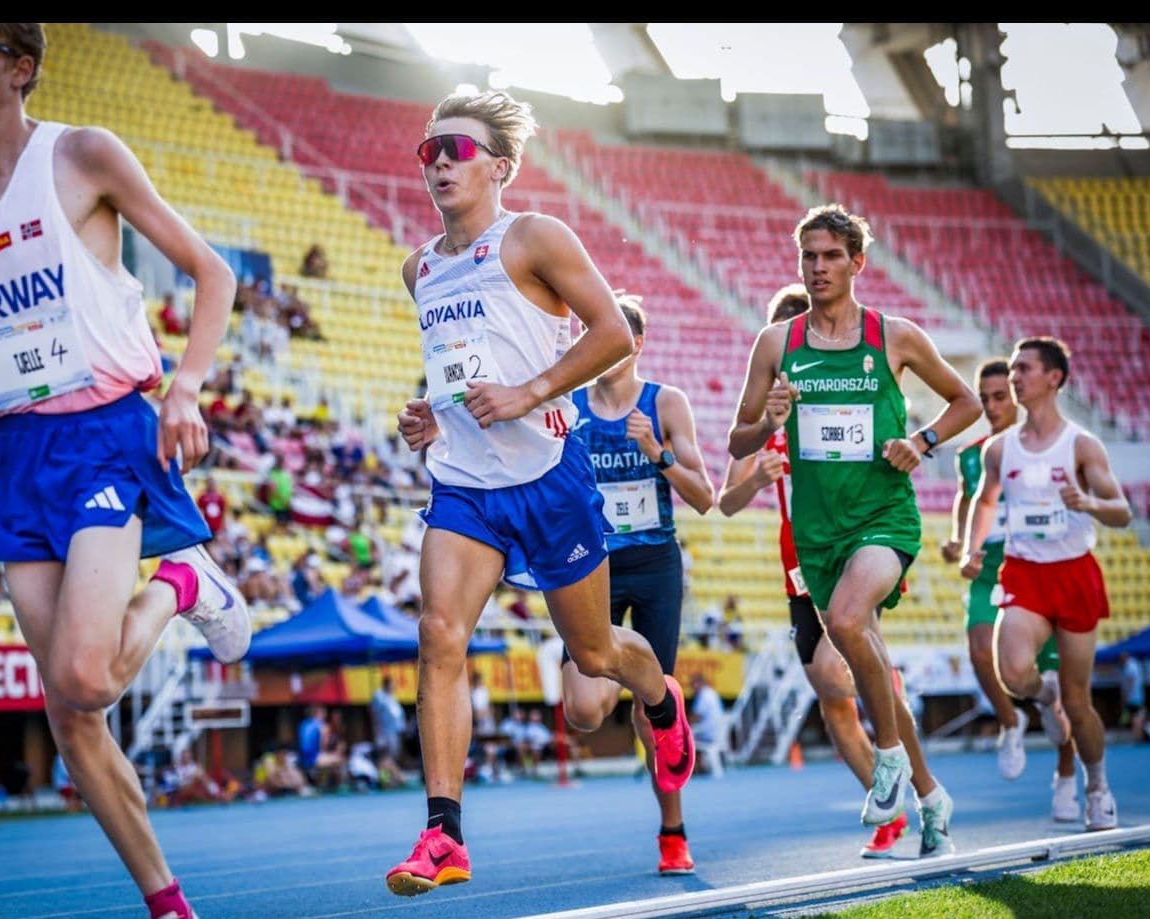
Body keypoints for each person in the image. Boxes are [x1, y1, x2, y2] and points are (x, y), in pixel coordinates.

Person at [0, 24, 250, 919]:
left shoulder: (81, 155)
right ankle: (168, 903)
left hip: (107, 429)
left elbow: (212, 273)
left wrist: (185, 388)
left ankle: (182, 583)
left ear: (21, 67)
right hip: (18, 450)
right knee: (70, 717)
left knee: (85, 678)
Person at [387, 91, 695, 897]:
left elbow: (611, 334)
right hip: (464, 486)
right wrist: (430, 416)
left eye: (455, 148)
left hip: (548, 478)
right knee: (438, 633)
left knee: (595, 659)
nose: (440, 162)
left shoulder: (533, 237)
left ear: (500, 166)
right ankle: (443, 832)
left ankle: (661, 703)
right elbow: (458, 367)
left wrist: (528, 393)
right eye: (428, 151)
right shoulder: (418, 266)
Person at [729, 204, 981, 858]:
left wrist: (921, 441)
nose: (817, 267)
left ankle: (890, 758)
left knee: (845, 622)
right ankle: (929, 795)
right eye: (807, 256)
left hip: (881, 515)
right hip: (814, 534)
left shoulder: (892, 336)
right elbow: (737, 438)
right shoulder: (775, 345)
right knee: (862, 659)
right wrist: (768, 420)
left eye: (830, 255)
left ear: (856, 262)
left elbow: (966, 400)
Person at [720, 284, 910, 856]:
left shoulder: (846, 398)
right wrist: (758, 477)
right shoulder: (767, 422)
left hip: (847, 550)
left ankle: (896, 732)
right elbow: (725, 500)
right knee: (830, 700)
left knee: (835, 672)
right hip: (796, 566)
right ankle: (887, 810)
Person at [559, 291, 715, 875]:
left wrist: (656, 451)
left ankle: (672, 832)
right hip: (588, 566)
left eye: (612, 336)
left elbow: (705, 498)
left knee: (653, 717)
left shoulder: (665, 403)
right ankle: (655, 695)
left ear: (636, 344)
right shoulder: (568, 407)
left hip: (652, 566)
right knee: (584, 709)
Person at [962, 336, 1132, 832]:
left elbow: (1121, 510)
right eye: (1012, 369)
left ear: (1053, 378)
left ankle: (1097, 787)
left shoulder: (1081, 444)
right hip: (1024, 570)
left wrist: (1088, 504)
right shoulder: (1000, 448)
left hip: (1074, 573)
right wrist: (973, 547)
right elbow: (985, 500)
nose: (1014, 377)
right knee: (1012, 671)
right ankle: (1041, 694)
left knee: (1080, 705)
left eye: (1025, 369)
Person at [943, 358, 1078, 819]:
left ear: (1018, 397)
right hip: (989, 569)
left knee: (1061, 696)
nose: (992, 407)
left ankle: (1065, 776)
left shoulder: (1050, 448)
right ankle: (1009, 720)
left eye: (1000, 397)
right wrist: (960, 543)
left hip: (1038, 567)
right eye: (984, 400)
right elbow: (967, 497)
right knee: (980, 647)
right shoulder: (972, 454)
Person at [371, 675, 407, 761]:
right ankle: (385, 773)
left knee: (395, 754)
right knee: (385, 755)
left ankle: (391, 772)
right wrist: (378, 731)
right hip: (385, 731)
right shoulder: (379, 696)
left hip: (395, 731)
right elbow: (374, 714)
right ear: (387, 684)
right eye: (393, 684)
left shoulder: (392, 697)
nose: (394, 686)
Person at [1119, 652, 1149, 743]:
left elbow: (1130, 682)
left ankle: (1138, 736)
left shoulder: (1130, 666)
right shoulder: (1133, 665)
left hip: (1133, 697)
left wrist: (1126, 695)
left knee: (1136, 718)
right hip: (1136, 696)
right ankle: (1137, 736)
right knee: (1136, 717)